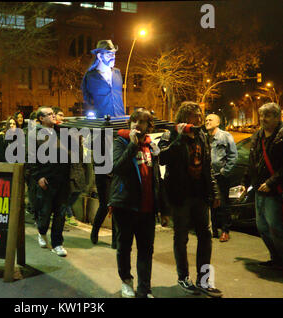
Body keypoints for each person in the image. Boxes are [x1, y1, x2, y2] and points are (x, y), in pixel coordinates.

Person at [158, 101, 222, 298]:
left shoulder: (202, 135)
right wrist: (180, 137)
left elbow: (207, 165)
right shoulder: (171, 134)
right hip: (181, 195)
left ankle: (204, 281)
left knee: (205, 235)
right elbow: (162, 158)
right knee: (181, 237)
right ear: (185, 117)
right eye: (195, 115)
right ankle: (183, 277)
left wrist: (214, 192)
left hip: (200, 194)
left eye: (200, 114)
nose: (200, 118)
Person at [109, 108, 168, 298]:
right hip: (125, 205)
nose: (136, 124)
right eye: (134, 121)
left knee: (146, 250)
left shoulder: (151, 147)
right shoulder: (120, 142)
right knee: (124, 247)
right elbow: (116, 168)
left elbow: (156, 179)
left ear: (148, 126)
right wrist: (132, 146)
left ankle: (144, 288)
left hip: (147, 208)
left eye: (141, 121)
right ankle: (126, 280)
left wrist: (161, 209)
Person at [241, 102, 283, 270]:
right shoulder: (258, 136)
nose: (262, 119)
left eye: (267, 116)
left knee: (276, 228)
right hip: (259, 190)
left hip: (275, 191)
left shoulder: (281, 136)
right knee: (262, 227)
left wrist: (271, 183)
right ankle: (276, 258)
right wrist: (245, 182)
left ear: (276, 117)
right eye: (261, 116)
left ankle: (281, 261)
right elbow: (252, 162)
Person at [26, 106, 70, 257]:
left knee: (60, 213)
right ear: (41, 119)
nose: (53, 116)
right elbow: (31, 159)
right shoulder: (34, 135)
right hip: (46, 179)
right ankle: (41, 231)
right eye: (49, 114)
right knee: (45, 213)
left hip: (62, 180)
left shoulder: (61, 131)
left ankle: (57, 243)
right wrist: (38, 177)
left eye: (53, 114)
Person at [205, 114, 238, 242]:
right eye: (206, 120)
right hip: (208, 176)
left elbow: (233, 156)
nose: (207, 122)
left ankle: (225, 231)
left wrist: (225, 172)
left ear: (218, 123)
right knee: (211, 203)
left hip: (220, 176)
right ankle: (213, 229)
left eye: (210, 120)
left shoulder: (225, 136)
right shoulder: (204, 137)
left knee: (224, 203)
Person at [82, 40, 125, 118]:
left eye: (114, 54)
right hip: (101, 121)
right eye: (109, 55)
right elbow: (87, 99)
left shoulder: (117, 73)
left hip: (120, 119)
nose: (113, 58)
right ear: (99, 56)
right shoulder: (90, 76)